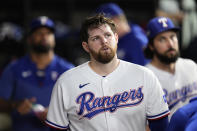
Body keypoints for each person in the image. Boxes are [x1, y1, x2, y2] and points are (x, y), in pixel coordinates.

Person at [45, 14, 170, 131]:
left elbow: (161, 125)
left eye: (108, 35)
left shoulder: (145, 76)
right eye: (96, 38)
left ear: (116, 38)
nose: (104, 41)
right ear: (86, 46)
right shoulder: (66, 82)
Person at [0, 16, 74, 131]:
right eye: (39, 33)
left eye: (48, 33)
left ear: (54, 38)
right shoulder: (14, 68)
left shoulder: (68, 70)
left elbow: (80, 105)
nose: (44, 36)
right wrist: (15, 105)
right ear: (29, 38)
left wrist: (58, 113)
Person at [144, 16, 197, 118]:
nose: (170, 44)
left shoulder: (191, 65)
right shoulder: (145, 78)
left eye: (173, 37)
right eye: (162, 39)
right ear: (151, 46)